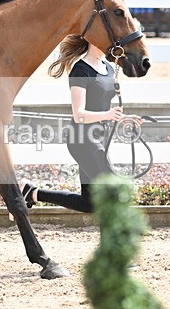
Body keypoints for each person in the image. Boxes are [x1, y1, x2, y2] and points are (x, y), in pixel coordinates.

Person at [21, 34, 140, 212]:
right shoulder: (80, 70)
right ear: (94, 40)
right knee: (113, 187)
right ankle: (116, 237)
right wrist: (107, 114)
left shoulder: (107, 67)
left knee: (89, 203)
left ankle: (32, 193)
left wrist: (121, 118)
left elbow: (101, 105)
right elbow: (79, 115)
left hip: (100, 138)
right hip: (82, 139)